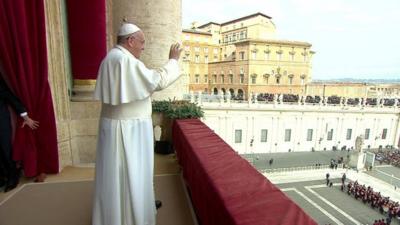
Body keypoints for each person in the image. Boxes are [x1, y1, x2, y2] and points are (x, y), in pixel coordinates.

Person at [92, 23, 182, 225]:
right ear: (130, 40)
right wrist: (173, 61)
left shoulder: (110, 58)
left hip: (116, 126)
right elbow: (155, 81)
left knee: (117, 177)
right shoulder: (125, 60)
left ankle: (132, 209)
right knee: (133, 172)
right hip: (128, 130)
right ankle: (133, 215)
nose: (143, 47)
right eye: (142, 42)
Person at [0, 77, 39, 192]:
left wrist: (25, 117)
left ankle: (13, 175)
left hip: (1, 119)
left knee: (4, 147)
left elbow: (8, 95)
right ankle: (2, 176)